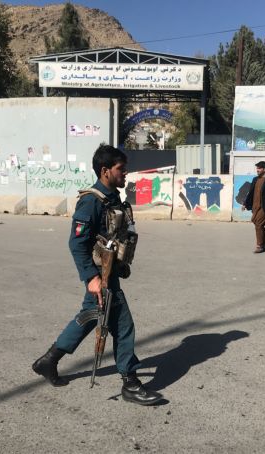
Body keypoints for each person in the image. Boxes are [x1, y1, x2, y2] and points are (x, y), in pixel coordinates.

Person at [32, 144, 163, 406]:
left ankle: (49, 360)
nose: (125, 173)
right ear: (105, 171)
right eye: (120, 169)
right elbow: (76, 243)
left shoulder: (113, 198)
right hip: (100, 276)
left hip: (110, 273)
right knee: (123, 325)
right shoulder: (92, 201)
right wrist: (90, 277)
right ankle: (130, 382)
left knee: (90, 316)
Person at [243, 161, 265, 253]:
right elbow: (250, 193)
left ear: (264, 169)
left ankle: (259, 246)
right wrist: (245, 203)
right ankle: (264, 245)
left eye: (259, 168)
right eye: (257, 168)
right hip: (255, 206)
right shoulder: (255, 179)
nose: (257, 170)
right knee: (259, 224)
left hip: (264, 206)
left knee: (258, 224)